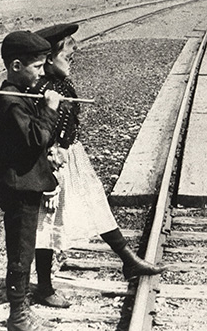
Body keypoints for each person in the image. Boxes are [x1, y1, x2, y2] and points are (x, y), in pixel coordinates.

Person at [30, 23, 164, 309]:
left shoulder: (63, 84)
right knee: (47, 221)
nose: (72, 63)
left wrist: (67, 146)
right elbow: (38, 132)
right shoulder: (40, 90)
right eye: (68, 58)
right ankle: (43, 286)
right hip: (50, 161)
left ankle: (129, 261)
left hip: (72, 156)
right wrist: (52, 156)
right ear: (50, 59)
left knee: (95, 203)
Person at [0, 31, 63, 331]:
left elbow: (31, 143)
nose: (42, 72)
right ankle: (18, 315)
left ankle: (23, 310)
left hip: (25, 183)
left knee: (26, 247)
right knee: (20, 251)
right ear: (16, 66)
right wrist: (50, 110)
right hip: (18, 187)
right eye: (37, 66)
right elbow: (35, 138)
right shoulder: (11, 101)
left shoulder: (19, 96)